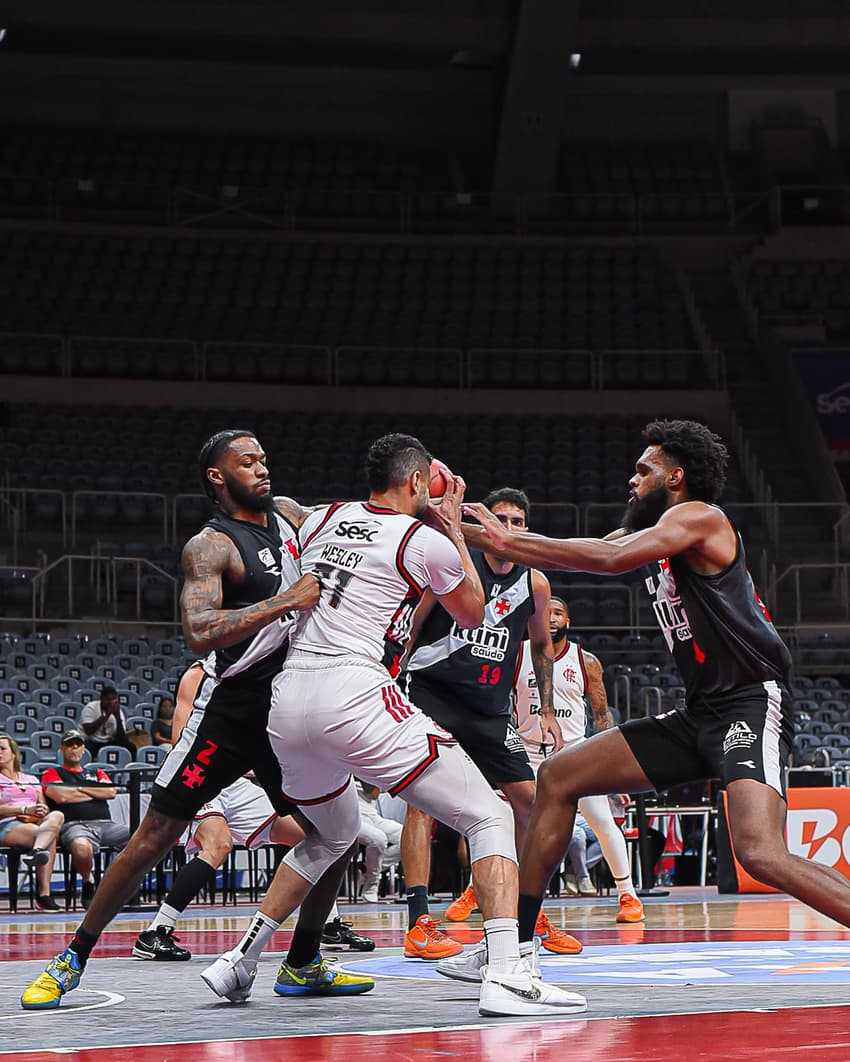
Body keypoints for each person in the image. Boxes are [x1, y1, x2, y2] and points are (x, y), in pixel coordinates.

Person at [201, 433, 586, 1017]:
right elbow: (472, 612)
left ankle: (239, 960)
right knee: (490, 814)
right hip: (354, 691)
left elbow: (286, 509)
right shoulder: (422, 539)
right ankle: (508, 974)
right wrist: (451, 525)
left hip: (290, 702)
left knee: (331, 833)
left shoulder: (321, 518)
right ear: (417, 482)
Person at [460, 418, 850, 944]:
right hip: (699, 713)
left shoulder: (699, 517)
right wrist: (451, 527)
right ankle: (513, 946)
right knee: (558, 775)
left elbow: (608, 559)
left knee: (760, 852)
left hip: (749, 703)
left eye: (644, 470)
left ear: (676, 477)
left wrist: (505, 538)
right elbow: (578, 549)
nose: (633, 479)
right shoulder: (651, 533)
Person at [21, 428, 360, 1010]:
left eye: (264, 458)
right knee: (155, 835)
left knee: (338, 833)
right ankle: (71, 956)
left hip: (289, 715)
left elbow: (363, 528)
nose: (262, 467)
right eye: (247, 462)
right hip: (229, 715)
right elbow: (200, 631)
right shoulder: (211, 545)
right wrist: (286, 600)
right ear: (217, 477)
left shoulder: (289, 515)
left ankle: (303, 962)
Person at [401, 488, 580, 958]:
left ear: (526, 528)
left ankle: (528, 912)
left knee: (533, 804)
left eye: (517, 521)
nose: (508, 527)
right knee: (422, 804)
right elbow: (415, 622)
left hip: (489, 708)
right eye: (500, 518)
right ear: (482, 525)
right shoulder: (454, 561)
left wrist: (544, 710)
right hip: (433, 692)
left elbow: (541, 645)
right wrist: (394, 671)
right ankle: (419, 922)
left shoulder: (535, 582)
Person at [132, 663, 375, 961]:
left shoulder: (256, 670)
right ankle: (156, 931)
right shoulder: (198, 675)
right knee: (218, 846)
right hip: (203, 776)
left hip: (239, 784)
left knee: (318, 837)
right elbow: (182, 739)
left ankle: (327, 924)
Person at [511, 597, 644, 924]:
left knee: (603, 822)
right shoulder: (516, 654)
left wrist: (614, 771)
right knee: (505, 824)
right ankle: (475, 890)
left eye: (558, 613)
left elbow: (602, 718)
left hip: (574, 753)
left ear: (568, 620)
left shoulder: (586, 661)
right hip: (528, 752)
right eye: (546, 612)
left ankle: (628, 895)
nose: (552, 618)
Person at [41, 729, 130, 909]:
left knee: (140, 836)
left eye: (78, 744)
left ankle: (122, 887)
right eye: (69, 745)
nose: (74, 748)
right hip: (75, 825)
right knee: (81, 849)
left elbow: (110, 792)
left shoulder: (96, 771)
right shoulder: (52, 772)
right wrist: (94, 791)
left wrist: (77, 788)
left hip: (106, 825)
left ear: (83, 749)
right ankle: (88, 881)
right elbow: (61, 797)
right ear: (62, 749)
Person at [0, 733, 64, 911]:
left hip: (36, 822)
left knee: (57, 815)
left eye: (2, 748)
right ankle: (44, 895)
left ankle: (36, 851)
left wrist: (41, 809)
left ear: (13, 754)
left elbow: (42, 805)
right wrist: (23, 810)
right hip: (7, 823)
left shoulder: (31, 779)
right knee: (49, 837)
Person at [355, 781, 402, 902]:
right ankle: (372, 884)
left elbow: (373, 794)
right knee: (378, 839)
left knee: (405, 836)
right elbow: (373, 793)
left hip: (373, 816)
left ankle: (367, 871)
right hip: (353, 819)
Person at [80, 686, 134, 759]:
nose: (111, 702)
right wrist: (106, 715)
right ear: (101, 699)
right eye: (108, 699)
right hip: (92, 740)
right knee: (85, 748)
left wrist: (117, 718)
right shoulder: (91, 708)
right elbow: (88, 731)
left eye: (113, 699)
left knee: (131, 747)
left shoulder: (118, 711)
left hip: (109, 741)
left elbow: (122, 739)